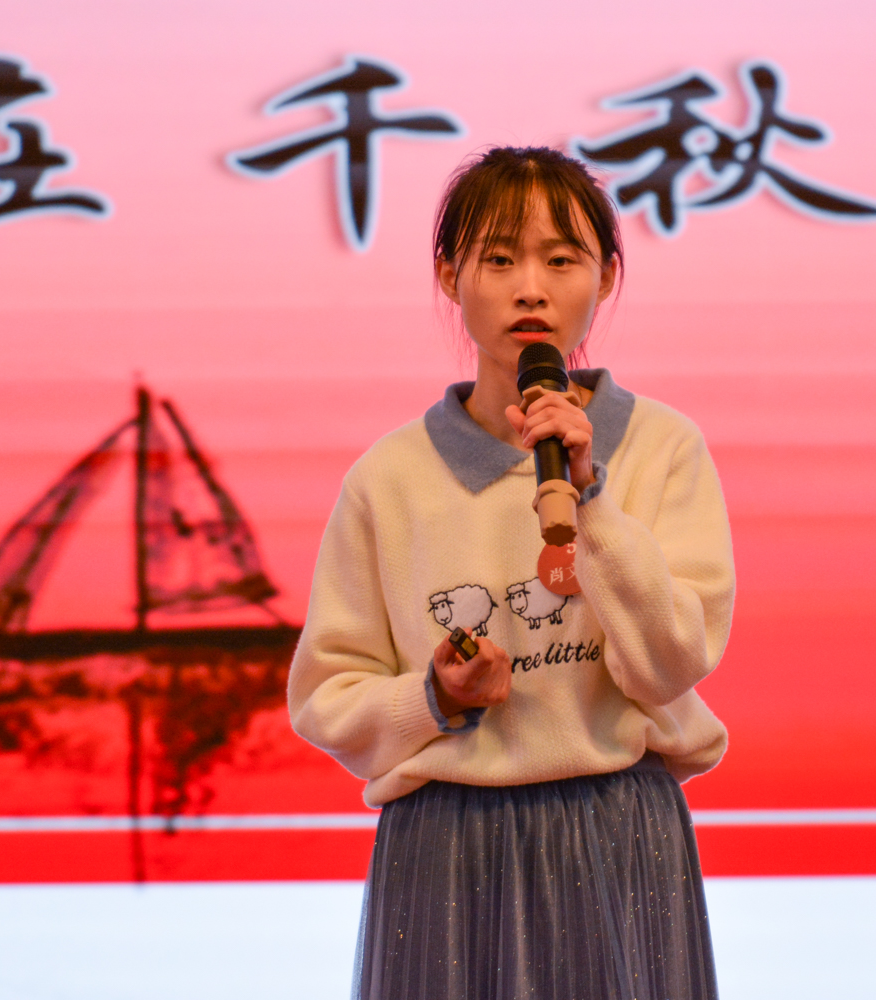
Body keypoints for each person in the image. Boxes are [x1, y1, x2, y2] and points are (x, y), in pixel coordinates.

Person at [287, 146, 734, 1000]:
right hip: (446, 849)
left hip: (618, 834)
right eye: (498, 259)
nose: (531, 289)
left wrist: (590, 498)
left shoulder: (663, 448)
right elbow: (325, 697)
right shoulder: (389, 478)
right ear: (449, 276)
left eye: (561, 260)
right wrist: (434, 697)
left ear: (606, 276)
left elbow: (670, 664)